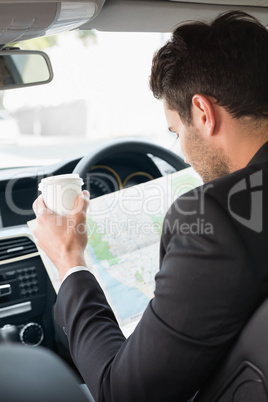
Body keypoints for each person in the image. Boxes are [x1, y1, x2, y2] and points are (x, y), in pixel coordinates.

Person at [33, 10, 268, 402]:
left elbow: (121, 392)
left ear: (204, 113)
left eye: (176, 132)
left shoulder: (216, 218)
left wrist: (69, 261)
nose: (184, 151)